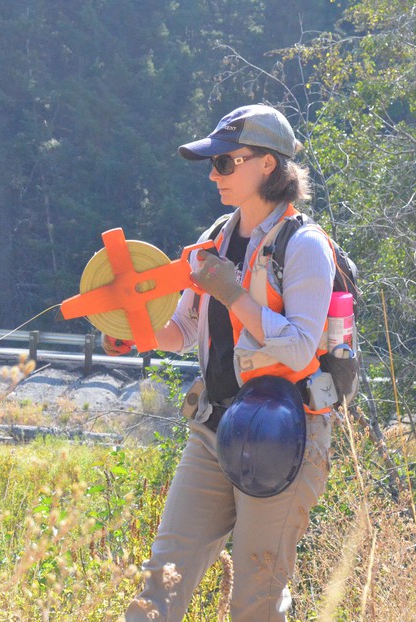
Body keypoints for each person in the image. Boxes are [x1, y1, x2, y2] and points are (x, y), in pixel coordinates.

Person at [115, 104, 336, 621]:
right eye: (212, 165)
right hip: (212, 429)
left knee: (255, 602)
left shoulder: (305, 246)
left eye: (226, 163)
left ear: (268, 165)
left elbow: (303, 347)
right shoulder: (216, 234)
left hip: (285, 438)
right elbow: (186, 329)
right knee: (158, 590)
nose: (215, 175)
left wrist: (234, 293)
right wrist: (134, 333)